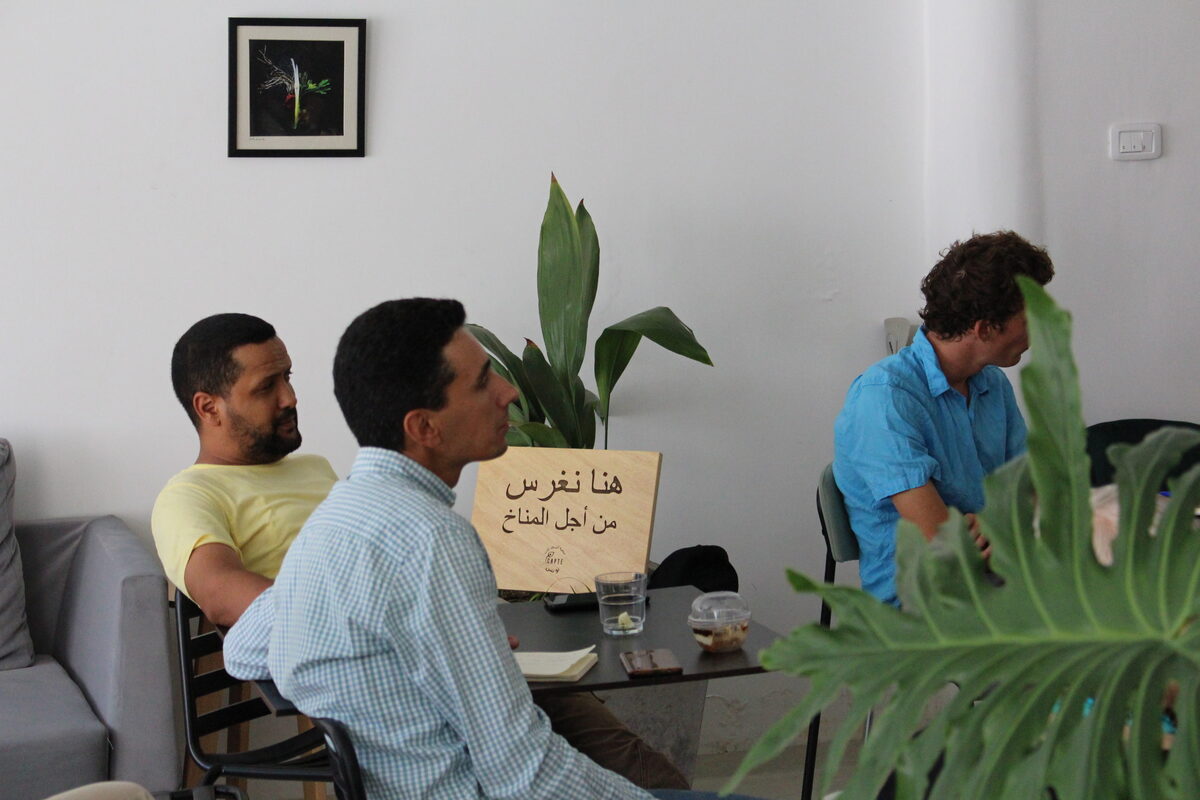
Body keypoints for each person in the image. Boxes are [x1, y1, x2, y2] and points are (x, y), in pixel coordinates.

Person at [225, 299, 760, 800]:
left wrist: (391, 659)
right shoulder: (432, 541)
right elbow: (524, 774)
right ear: (424, 426)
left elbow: (243, 649)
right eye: (483, 382)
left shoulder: (336, 517)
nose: (507, 392)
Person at [833, 231, 1055, 606]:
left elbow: (1034, 494)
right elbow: (947, 546)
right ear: (984, 328)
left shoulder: (992, 384)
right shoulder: (884, 397)